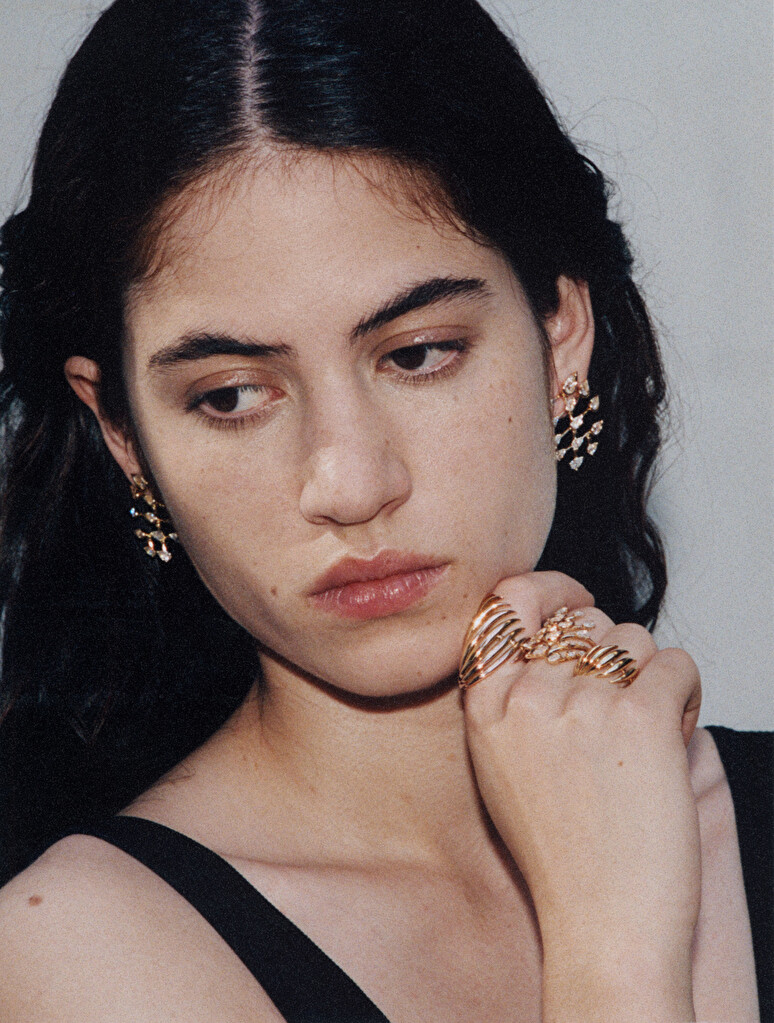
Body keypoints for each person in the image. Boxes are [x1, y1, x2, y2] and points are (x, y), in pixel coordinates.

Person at [0, 0, 770, 1020]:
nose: (352, 483)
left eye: (418, 354)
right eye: (231, 395)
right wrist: (614, 944)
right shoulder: (79, 952)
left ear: (561, 337)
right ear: (124, 434)